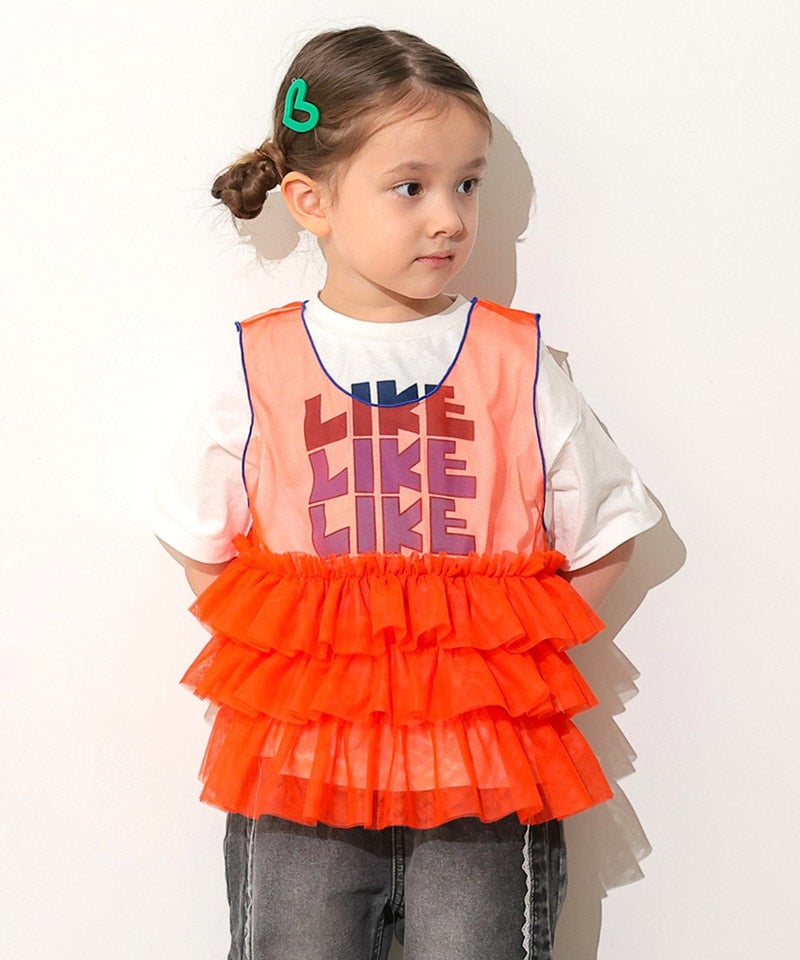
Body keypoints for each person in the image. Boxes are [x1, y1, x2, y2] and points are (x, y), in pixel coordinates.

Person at [151, 25, 661, 960]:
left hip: (479, 766)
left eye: (467, 184)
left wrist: (508, 667)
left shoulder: (516, 360)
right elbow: (195, 531)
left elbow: (611, 527)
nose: (450, 218)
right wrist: (294, 663)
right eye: (410, 187)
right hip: (305, 762)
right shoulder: (260, 362)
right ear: (310, 201)